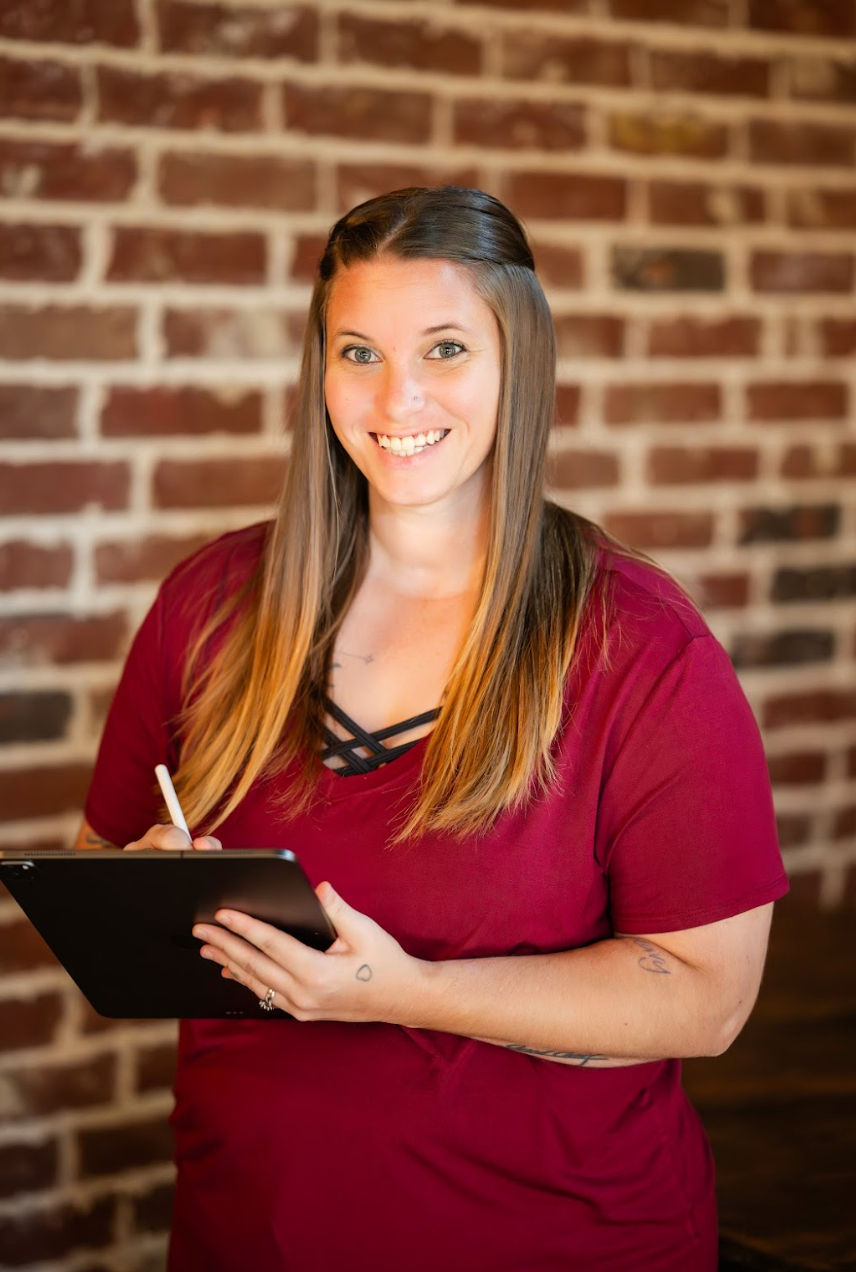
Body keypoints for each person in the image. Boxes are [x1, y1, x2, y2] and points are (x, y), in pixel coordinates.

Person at [75, 186, 788, 1271]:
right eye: (357, 351)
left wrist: (406, 993)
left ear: (519, 365)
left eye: (445, 347)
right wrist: (152, 888)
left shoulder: (638, 646)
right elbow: (97, 870)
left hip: (553, 1241)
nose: (395, 394)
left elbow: (708, 997)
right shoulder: (210, 603)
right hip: (247, 1232)